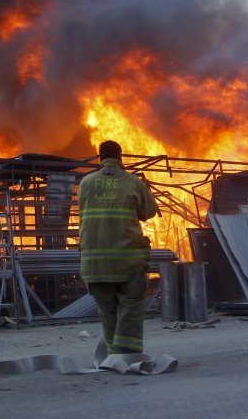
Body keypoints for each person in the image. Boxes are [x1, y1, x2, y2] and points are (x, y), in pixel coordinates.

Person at [78, 140, 158, 354]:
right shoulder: (132, 182)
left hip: (94, 265)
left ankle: (114, 354)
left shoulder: (86, 183)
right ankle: (127, 354)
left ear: (100, 157)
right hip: (128, 263)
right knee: (132, 304)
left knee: (108, 311)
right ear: (120, 156)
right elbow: (149, 212)